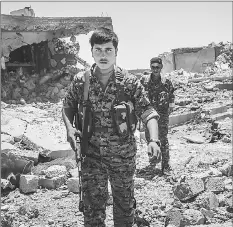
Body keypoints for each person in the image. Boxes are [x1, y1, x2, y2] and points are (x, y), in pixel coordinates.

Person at [62, 27, 161, 227]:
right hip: (91, 157)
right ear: (91, 52)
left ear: (116, 52)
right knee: (92, 211)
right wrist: (70, 129)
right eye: (98, 50)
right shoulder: (81, 81)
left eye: (108, 50)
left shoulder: (129, 83)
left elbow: (148, 112)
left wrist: (154, 140)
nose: (103, 55)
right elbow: (67, 107)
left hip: (123, 158)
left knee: (124, 208)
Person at [140, 57, 175, 174]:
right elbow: (138, 95)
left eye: (157, 67)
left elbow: (171, 97)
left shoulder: (166, 82)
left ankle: (166, 166)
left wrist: (169, 109)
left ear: (161, 67)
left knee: (163, 140)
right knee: (150, 139)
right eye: (153, 67)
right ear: (150, 67)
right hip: (149, 116)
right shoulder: (144, 81)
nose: (155, 70)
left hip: (162, 115)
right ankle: (153, 162)